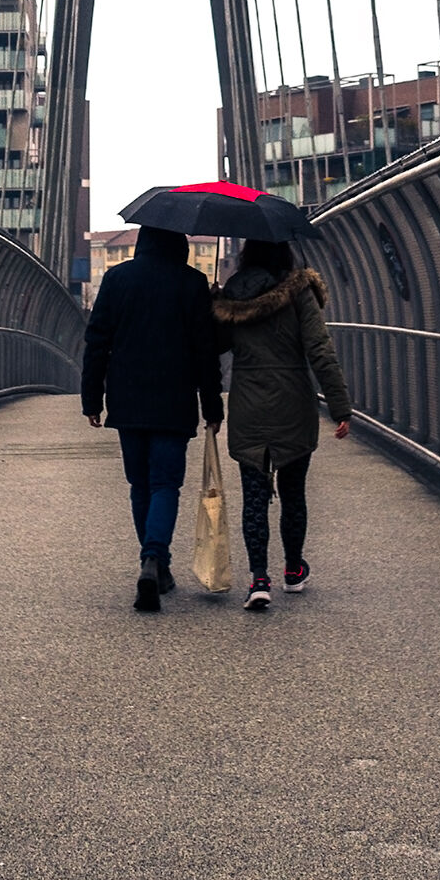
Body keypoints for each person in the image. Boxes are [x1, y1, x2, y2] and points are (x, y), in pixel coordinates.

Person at [81, 225, 223, 612]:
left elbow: (97, 340)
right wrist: (212, 406)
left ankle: (153, 561)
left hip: (127, 398)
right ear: (179, 245)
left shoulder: (117, 278)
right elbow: (205, 351)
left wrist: (92, 398)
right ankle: (155, 557)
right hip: (174, 399)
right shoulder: (192, 283)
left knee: (139, 483)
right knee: (165, 483)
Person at [213, 237, 351, 611]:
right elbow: (319, 349)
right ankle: (293, 569)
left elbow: (218, 346)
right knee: (293, 492)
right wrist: (340, 407)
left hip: (249, 405)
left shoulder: (233, 294)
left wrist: (215, 305)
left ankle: (259, 578)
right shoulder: (299, 291)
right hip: (293, 403)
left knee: (254, 495)